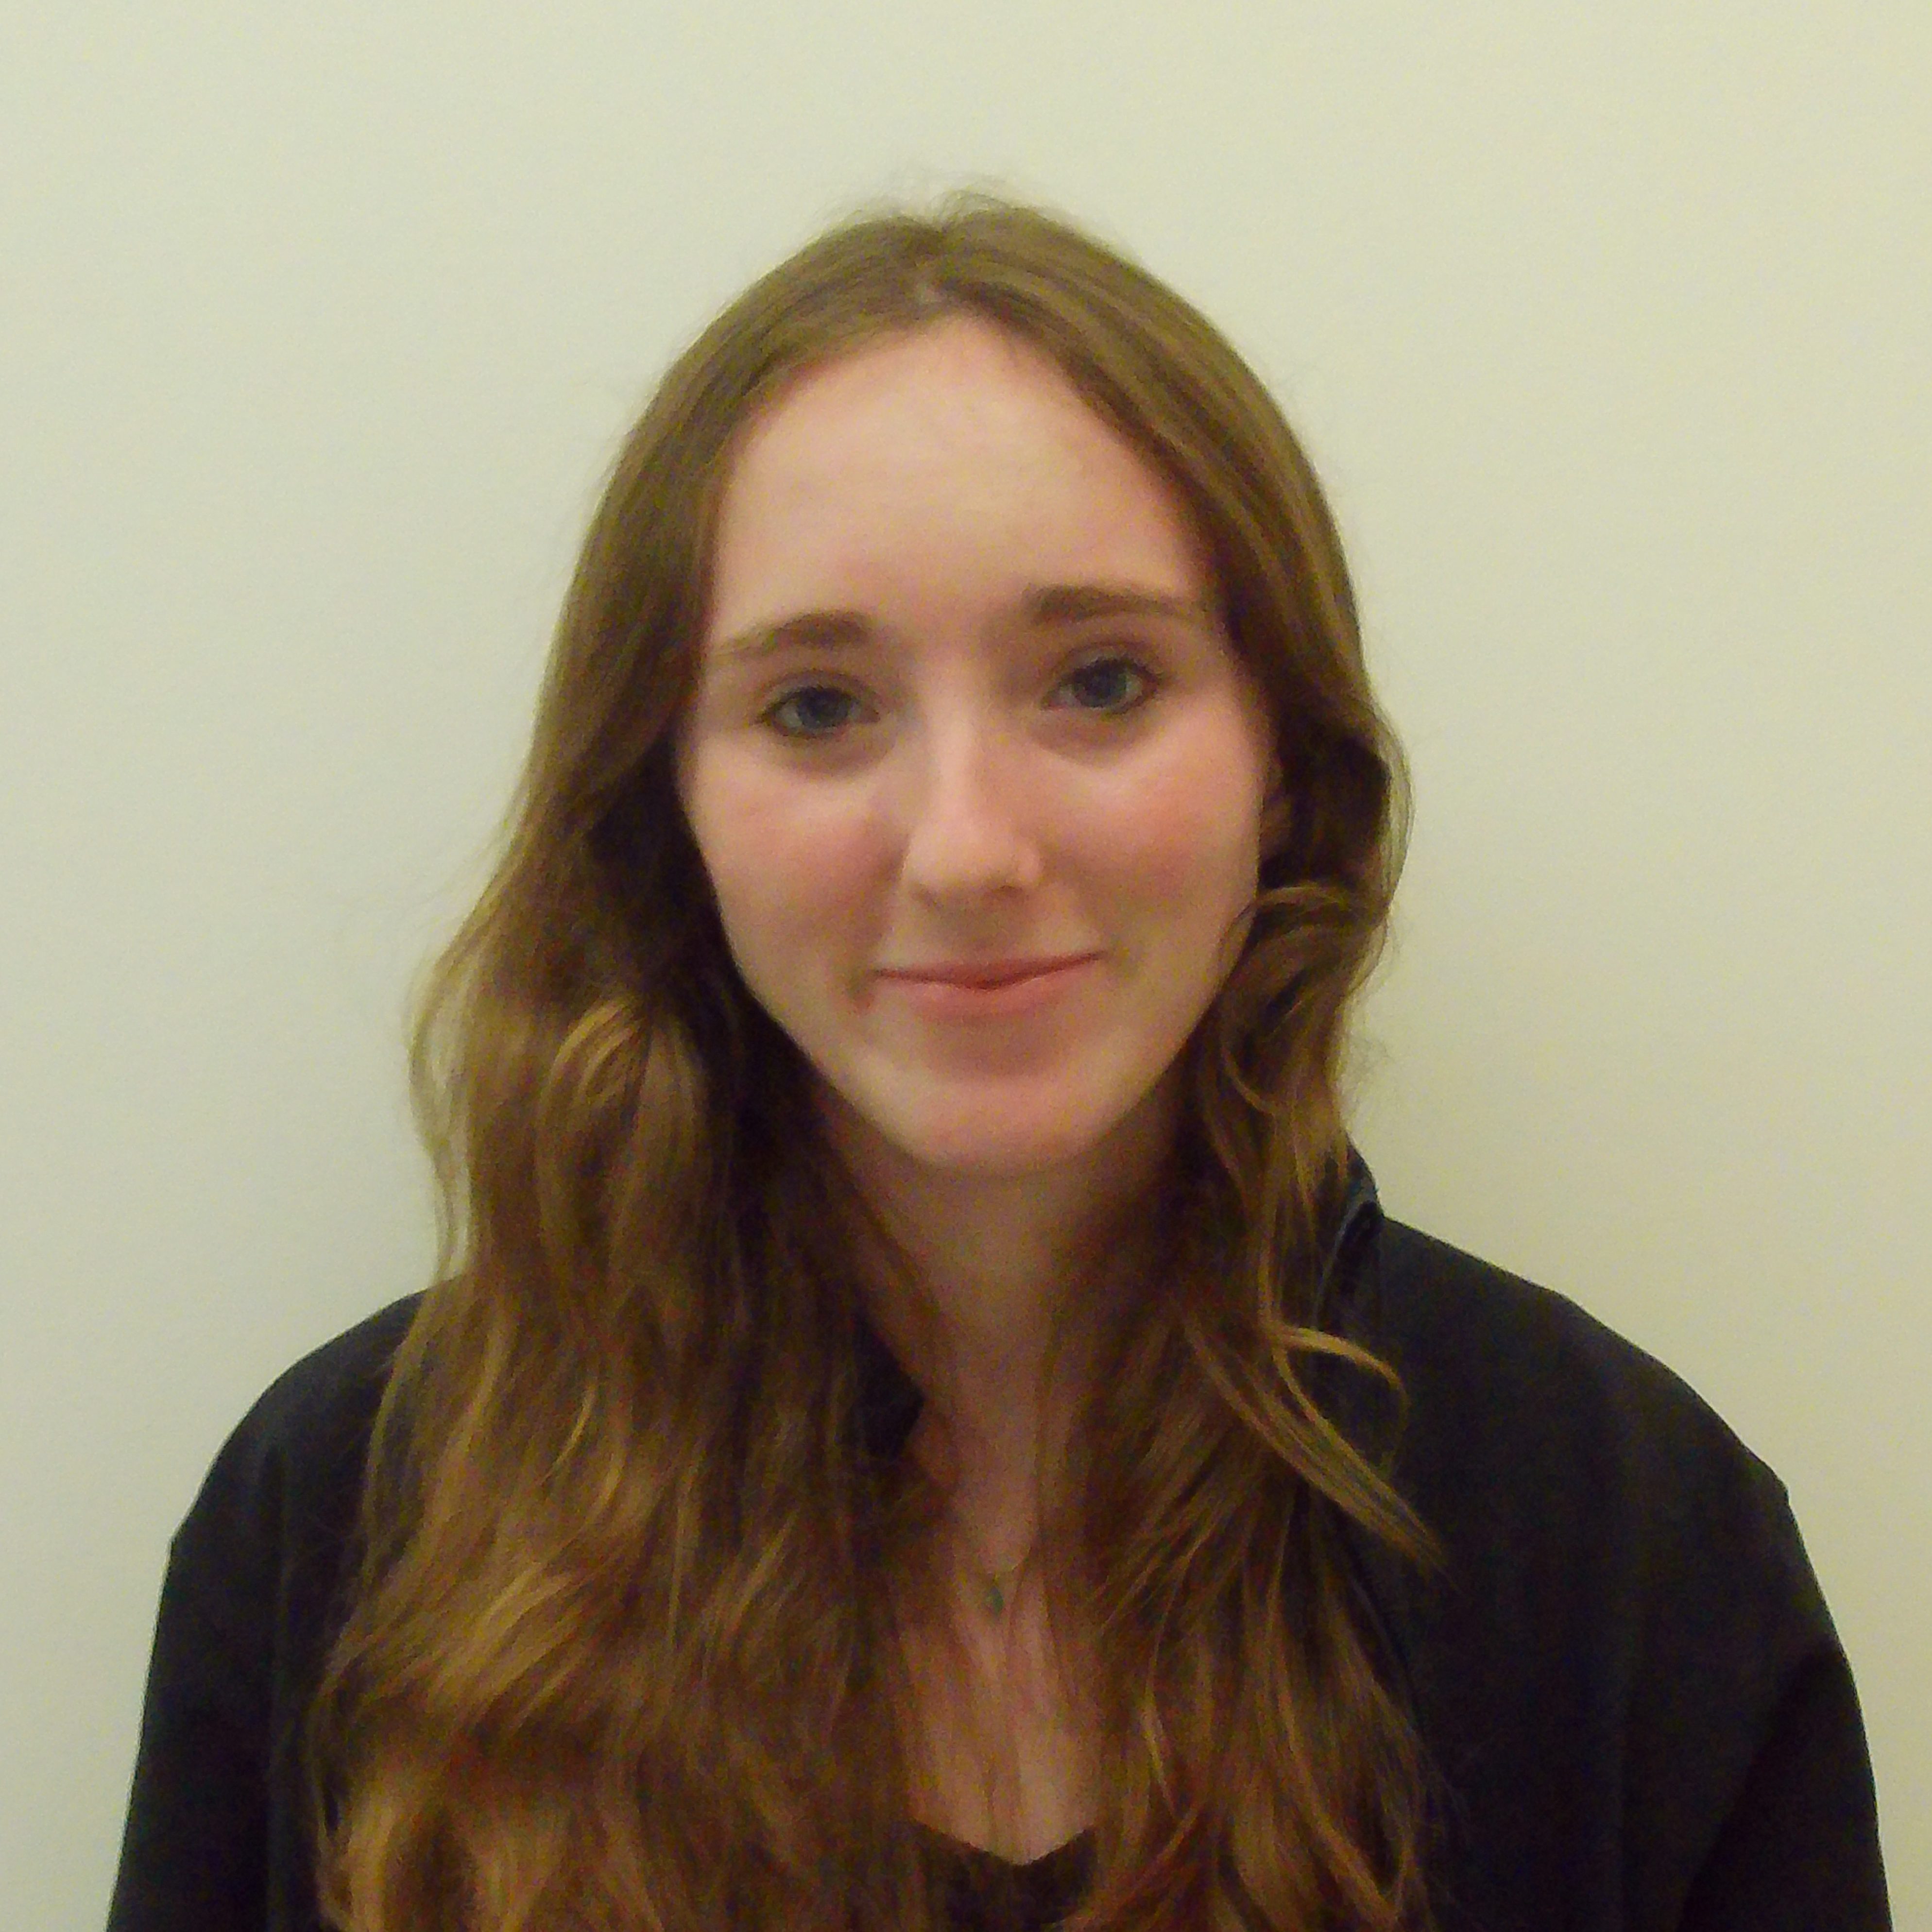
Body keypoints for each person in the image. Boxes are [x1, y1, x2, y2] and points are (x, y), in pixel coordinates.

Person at [107, 197, 1890, 1932]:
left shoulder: (1626, 1539)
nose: (965, 847)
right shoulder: (347, 1521)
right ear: (666, 805)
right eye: (818, 706)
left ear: (1282, 761)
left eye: (1099, 681)